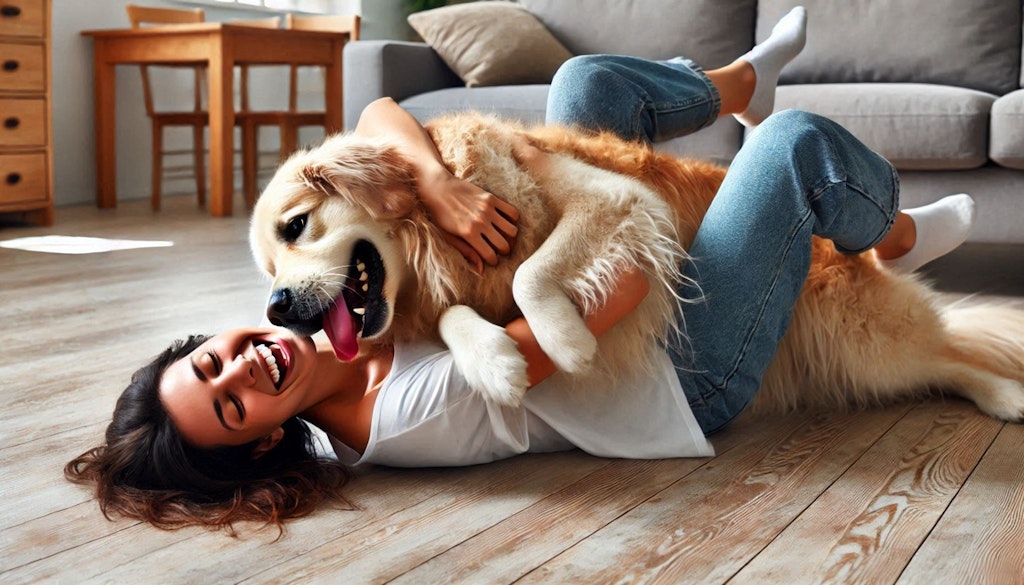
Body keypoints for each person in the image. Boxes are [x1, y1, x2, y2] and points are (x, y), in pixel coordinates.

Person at [66, 7, 977, 531]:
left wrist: (441, 185)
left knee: (585, 89)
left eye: (211, 358)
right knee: (790, 147)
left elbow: (380, 112)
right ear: (265, 440)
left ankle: (732, 84)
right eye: (232, 404)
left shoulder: (318, 312)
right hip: (681, 358)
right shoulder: (410, 417)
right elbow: (604, 297)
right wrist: (597, 197)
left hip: (628, 301)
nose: (242, 366)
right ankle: (885, 230)